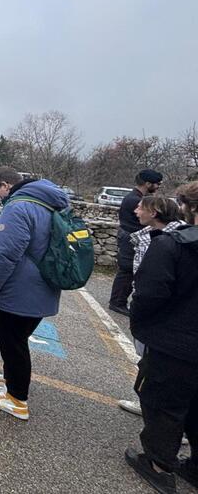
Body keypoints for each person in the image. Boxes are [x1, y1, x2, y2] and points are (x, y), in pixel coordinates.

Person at [0, 166, 69, 421]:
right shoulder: (50, 203)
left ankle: (17, 398)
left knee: (13, 342)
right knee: (18, 339)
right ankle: (10, 378)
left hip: (18, 289)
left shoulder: (18, 208)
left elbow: (3, 254)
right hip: (42, 285)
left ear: (6, 185)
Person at [124, 181, 198, 493]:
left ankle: (157, 464)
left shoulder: (173, 244)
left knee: (161, 402)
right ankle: (195, 467)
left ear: (189, 207)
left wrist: (144, 328)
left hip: (174, 342)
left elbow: (149, 294)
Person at [117, 195, 183, 417]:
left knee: (160, 365)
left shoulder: (172, 241)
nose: (135, 211)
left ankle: (172, 421)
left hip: (163, 315)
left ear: (153, 212)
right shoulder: (150, 237)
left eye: (140, 207)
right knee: (148, 360)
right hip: (155, 310)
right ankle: (146, 400)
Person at [109, 169, 164, 317]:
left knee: (127, 270)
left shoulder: (134, 197)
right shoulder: (135, 200)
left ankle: (118, 300)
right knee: (127, 270)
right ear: (147, 183)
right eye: (157, 183)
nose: (158, 186)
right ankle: (117, 302)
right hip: (130, 237)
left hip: (128, 235)